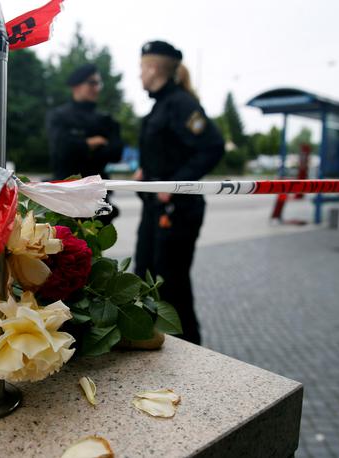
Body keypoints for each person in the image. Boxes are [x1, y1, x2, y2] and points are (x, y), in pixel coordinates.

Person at [134, 41, 225, 345]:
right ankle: (150, 342)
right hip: (156, 209)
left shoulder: (182, 104)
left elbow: (212, 146)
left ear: (152, 68)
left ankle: (191, 354)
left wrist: (174, 185)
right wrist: (146, 174)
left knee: (172, 286)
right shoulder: (161, 105)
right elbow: (168, 153)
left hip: (178, 212)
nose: (139, 76)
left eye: (141, 68)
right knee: (145, 276)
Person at [46, 63, 123, 223]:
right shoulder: (59, 116)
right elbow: (61, 149)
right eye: (92, 83)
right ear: (76, 85)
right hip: (65, 197)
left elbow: (116, 152)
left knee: (93, 246)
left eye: (98, 83)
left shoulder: (105, 119)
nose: (96, 88)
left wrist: (77, 146)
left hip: (96, 197)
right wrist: (90, 143)